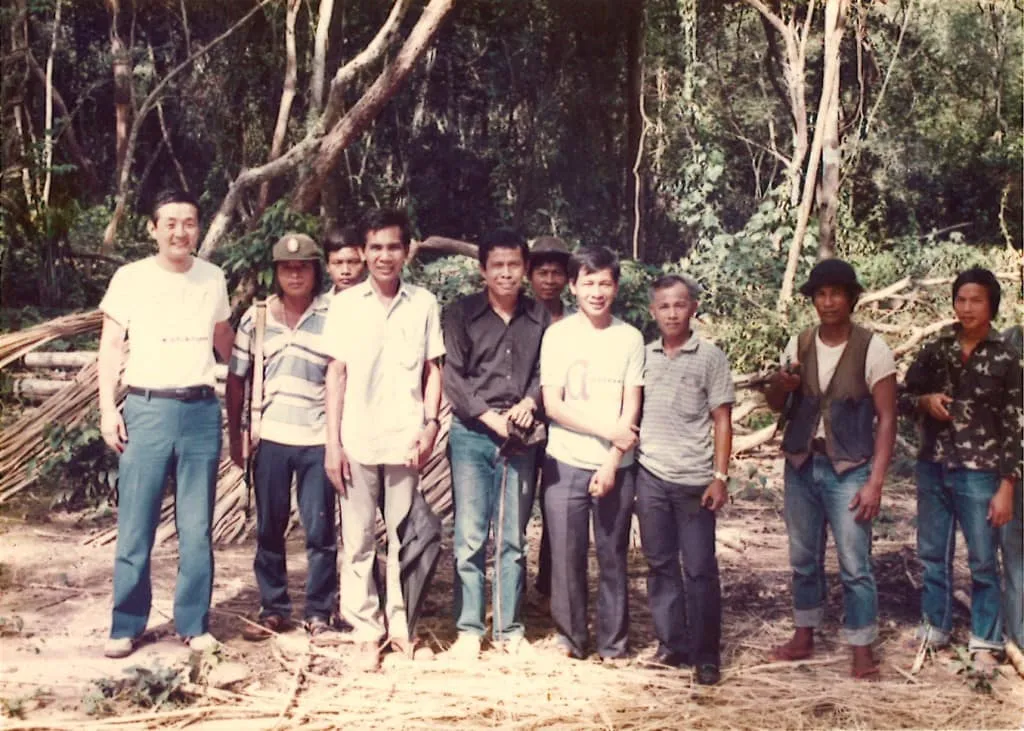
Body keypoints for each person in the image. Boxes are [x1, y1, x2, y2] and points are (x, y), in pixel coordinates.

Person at [98, 188, 233, 658]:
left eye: (189, 222)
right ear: (153, 229)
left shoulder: (213, 277)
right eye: (170, 222)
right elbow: (111, 346)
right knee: (136, 524)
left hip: (200, 411)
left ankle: (193, 623)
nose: (181, 231)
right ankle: (127, 624)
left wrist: (256, 366)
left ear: (199, 228)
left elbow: (225, 342)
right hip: (147, 409)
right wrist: (107, 408)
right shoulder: (129, 278)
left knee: (196, 528)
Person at [322, 208, 445, 671]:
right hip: (357, 438)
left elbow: (435, 370)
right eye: (375, 247)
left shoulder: (424, 304)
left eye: (394, 246)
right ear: (363, 252)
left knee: (401, 538)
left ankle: (399, 627)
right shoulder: (345, 305)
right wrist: (332, 444)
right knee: (357, 541)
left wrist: (430, 425)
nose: (384, 256)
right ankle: (365, 629)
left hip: (405, 440)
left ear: (408, 251)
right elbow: (335, 374)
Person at [764, 259, 896, 679]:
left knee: (856, 564)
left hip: (850, 469)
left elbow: (888, 419)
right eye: (820, 294)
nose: (828, 301)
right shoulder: (799, 343)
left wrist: (875, 482)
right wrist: (780, 386)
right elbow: (775, 403)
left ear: (852, 298)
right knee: (803, 559)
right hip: (803, 464)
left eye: (836, 293)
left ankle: (861, 645)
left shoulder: (873, 348)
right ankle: (804, 634)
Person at [900, 267, 1022, 669]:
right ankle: (935, 626)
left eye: (976, 300)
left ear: (992, 306)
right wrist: (925, 402)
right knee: (933, 552)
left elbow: (1016, 425)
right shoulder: (936, 350)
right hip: (934, 464)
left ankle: (985, 640)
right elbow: (903, 396)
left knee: (984, 559)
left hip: (981, 472)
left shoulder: (1007, 358)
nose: (966, 308)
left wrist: (1007, 484)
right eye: (961, 299)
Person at [225, 233, 343, 644]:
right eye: (287, 268)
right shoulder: (255, 319)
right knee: (270, 528)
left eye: (304, 267)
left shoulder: (335, 315)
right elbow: (236, 380)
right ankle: (273, 607)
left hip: (317, 437)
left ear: (316, 271)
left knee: (320, 530)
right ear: (275, 273)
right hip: (270, 436)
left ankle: (319, 611)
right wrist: (237, 433)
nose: (295, 274)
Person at [443, 230, 549, 659]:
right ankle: (469, 629)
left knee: (512, 537)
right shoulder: (460, 314)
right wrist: (491, 419)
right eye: (497, 265)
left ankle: (509, 630)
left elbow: (547, 372)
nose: (506, 273)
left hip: (521, 438)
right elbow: (454, 377)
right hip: (472, 434)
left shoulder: (541, 317)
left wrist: (529, 402)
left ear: (525, 269)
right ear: (482, 269)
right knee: (469, 535)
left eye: (514, 265)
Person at [540, 246, 644, 661]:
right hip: (565, 460)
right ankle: (570, 639)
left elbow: (631, 404)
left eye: (604, 283)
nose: (596, 291)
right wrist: (609, 432)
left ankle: (613, 644)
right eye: (588, 283)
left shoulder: (630, 337)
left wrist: (612, 460)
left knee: (612, 554)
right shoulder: (558, 335)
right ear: (573, 286)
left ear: (615, 287)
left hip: (617, 465)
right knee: (566, 557)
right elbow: (554, 405)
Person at [635, 274, 733, 686]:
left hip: (694, 480)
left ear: (693, 307)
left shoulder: (710, 356)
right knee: (659, 566)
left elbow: (722, 420)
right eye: (663, 306)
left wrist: (720, 476)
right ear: (652, 311)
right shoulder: (643, 355)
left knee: (699, 568)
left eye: (679, 304)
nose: (672, 313)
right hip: (650, 476)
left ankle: (706, 654)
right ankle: (671, 645)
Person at [527, 236, 573, 604]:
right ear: (530, 275)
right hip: (524, 427)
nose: (549, 280)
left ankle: (550, 585)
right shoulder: (520, 315)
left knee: (557, 506)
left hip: (564, 425)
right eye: (542, 272)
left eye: (557, 273)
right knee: (521, 508)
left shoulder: (575, 322)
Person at [324, 224, 366, 294]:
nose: (345, 271)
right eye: (338, 263)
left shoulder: (379, 303)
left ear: (365, 265)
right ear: (327, 266)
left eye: (352, 262)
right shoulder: (321, 304)